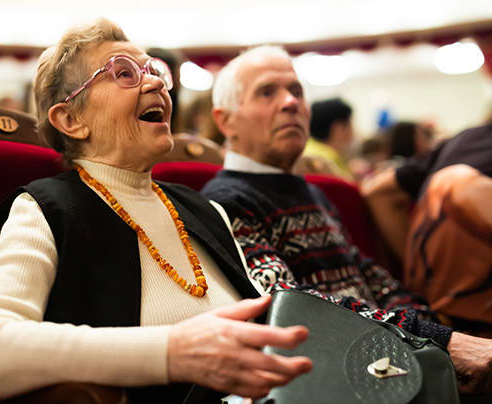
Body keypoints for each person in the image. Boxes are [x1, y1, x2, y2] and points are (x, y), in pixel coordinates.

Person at [0, 20, 312, 403]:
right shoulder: (46, 210)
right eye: (124, 74)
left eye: (154, 71)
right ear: (71, 120)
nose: (153, 83)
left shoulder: (206, 209)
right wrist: (171, 352)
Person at [201, 45, 492, 394]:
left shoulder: (312, 193)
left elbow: (371, 278)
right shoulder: (223, 202)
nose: (290, 102)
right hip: (334, 378)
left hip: (388, 361)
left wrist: (433, 333)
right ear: (225, 120)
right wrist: (440, 341)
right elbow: (295, 309)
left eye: (296, 91)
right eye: (267, 92)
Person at [362, 124, 492, 336]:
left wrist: (418, 268)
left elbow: (378, 191)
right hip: (461, 320)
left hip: (432, 312)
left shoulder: (466, 139)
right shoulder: (463, 161)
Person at [302, 97, 355, 180]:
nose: (354, 131)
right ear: (338, 128)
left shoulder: (307, 148)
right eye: (351, 125)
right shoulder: (325, 159)